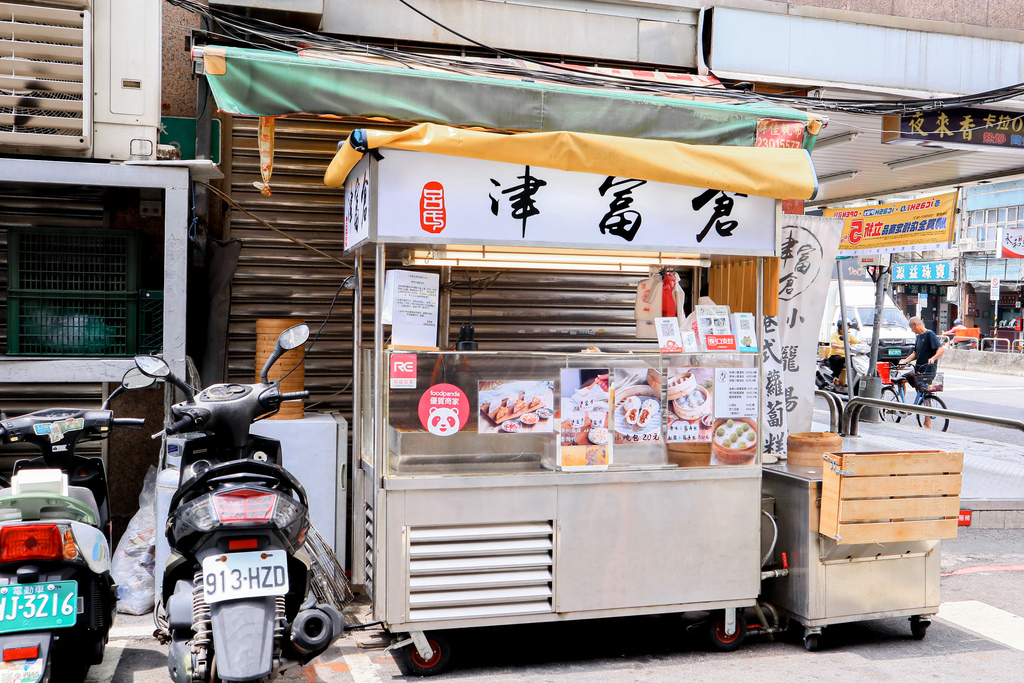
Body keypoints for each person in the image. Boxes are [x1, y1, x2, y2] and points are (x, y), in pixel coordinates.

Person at [899, 316, 945, 428]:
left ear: (915, 324)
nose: (912, 330)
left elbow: (941, 349)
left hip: (928, 370)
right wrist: (905, 361)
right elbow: (915, 353)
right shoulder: (918, 337)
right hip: (918, 370)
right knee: (901, 380)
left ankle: (927, 422)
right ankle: (902, 405)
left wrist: (933, 358)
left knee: (925, 394)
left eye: (911, 328)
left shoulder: (930, 334)